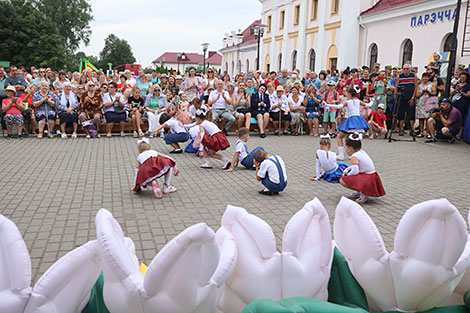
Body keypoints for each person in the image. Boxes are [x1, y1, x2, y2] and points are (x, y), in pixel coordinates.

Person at [339, 133, 386, 204]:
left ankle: (363, 193)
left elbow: (355, 170)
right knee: (352, 176)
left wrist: (347, 174)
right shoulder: (361, 152)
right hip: (372, 175)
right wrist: (347, 169)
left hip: (368, 178)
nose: (345, 149)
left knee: (343, 180)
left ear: (350, 148)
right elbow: (355, 167)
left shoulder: (354, 156)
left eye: (346, 147)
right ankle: (359, 191)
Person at [326, 86, 370, 160]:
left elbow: (339, 106)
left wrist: (328, 105)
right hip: (358, 120)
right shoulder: (358, 101)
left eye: (346, 92)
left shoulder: (347, 101)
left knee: (339, 136)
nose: (345, 93)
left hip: (352, 119)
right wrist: (373, 101)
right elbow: (368, 105)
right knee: (354, 138)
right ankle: (356, 154)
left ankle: (341, 155)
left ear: (349, 94)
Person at [395, 64, 418, 136]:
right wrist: (396, 96)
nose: (406, 70)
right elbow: (396, 87)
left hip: (410, 97)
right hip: (401, 97)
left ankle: (412, 129)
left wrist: (413, 98)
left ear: (410, 69)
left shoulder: (413, 76)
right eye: (404, 69)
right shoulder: (400, 76)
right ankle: (401, 129)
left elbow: (416, 87)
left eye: (407, 69)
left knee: (411, 114)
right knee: (401, 114)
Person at [415, 72, 436, 138]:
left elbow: (434, 93)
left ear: (429, 78)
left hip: (429, 101)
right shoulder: (419, 85)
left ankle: (428, 132)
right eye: (424, 77)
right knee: (421, 118)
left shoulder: (432, 84)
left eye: (426, 77)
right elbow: (417, 95)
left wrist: (428, 92)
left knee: (427, 117)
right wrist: (422, 93)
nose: (425, 78)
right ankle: (421, 132)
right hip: (421, 102)